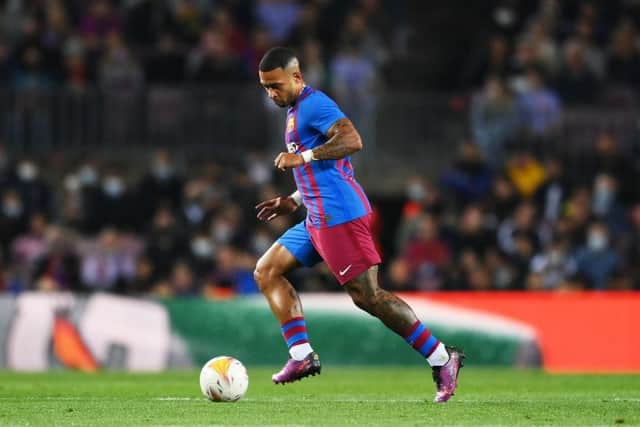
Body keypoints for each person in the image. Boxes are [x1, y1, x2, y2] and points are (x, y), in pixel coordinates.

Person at [253, 47, 464, 403]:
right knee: (267, 271)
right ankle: (301, 356)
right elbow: (326, 170)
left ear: (297, 77)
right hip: (317, 213)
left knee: (368, 297)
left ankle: (442, 358)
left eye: (275, 85)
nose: (271, 93)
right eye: (265, 88)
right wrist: (295, 199)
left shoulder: (314, 104)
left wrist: (300, 156)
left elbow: (352, 140)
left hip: (340, 215)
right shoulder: (293, 112)